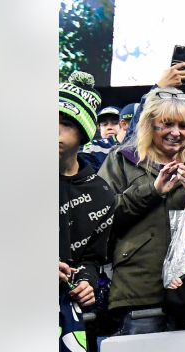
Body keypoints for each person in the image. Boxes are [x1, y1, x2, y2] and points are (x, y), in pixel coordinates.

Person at [98, 86, 185, 335]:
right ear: (149, 124)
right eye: (166, 124)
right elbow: (102, 219)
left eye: (183, 126)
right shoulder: (121, 159)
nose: (176, 133)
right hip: (140, 292)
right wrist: (152, 191)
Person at [59, 71, 113, 312]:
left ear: (83, 133)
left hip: (65, 313)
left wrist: (87, 283)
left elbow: (91, 259)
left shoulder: (101, 193)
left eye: (66, 123)